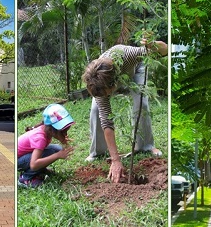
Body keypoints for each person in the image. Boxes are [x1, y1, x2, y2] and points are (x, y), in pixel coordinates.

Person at [82, 39, 168, 183]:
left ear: (114, 83)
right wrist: (116, 160)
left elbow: (164, 50)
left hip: (136, 68)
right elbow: (106, 120)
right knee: (96, 110)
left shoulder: (128, 54)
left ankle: (146, 146)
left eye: (107, 93)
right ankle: (98, 152)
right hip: (110, 78)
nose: (107, 96)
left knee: (141, 104)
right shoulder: (96, 80)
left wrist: (152, 44)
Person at [17, 103, 75, 188]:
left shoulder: (46, 130)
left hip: (23, 156)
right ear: (52, 130)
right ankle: (25, 178)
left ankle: (40, 170)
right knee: (52, 152)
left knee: (57, 149)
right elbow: (34, 164)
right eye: (63, 132)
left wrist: (61, 139)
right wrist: (57, 156)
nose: (65, 134)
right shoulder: (40, 138)